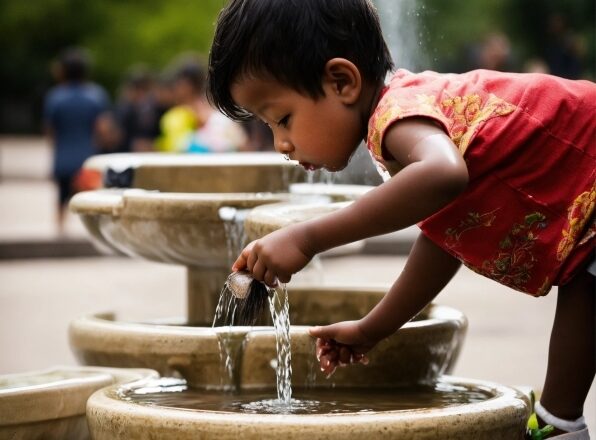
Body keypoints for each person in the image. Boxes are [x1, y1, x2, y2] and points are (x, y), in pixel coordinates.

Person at [207, 1, 595, 438]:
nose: (281, 144)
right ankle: (559, 423)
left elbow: (444, 174)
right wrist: (373, 328)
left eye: (283, 119)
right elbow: (448, 234)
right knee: (584, 277)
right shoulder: (409, 111)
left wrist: (307, 238)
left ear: (342, 82)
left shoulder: (397, 113)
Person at [43, 47, 116, 233]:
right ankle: (94, 235)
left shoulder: (55, 97)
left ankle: (60, 233)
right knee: (92, 202)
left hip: (63, 159)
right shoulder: (95, 95)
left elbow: (50, 132)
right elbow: (104, 129)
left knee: (61, 198)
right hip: (88, 159)